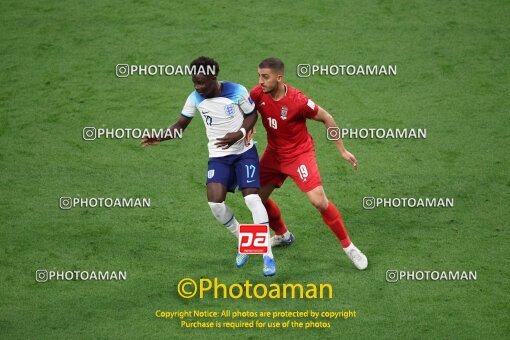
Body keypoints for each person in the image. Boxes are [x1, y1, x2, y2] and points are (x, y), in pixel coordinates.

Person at [142, 56, 276, 276]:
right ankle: (245, 238)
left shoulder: (237, 90)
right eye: (194, 82)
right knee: (215, 204)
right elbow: (180, 125)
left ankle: (267, 255)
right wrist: (160, 137)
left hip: (244, 153)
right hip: (219, 157)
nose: (198, 87)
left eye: (202, 83)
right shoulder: (195, 98)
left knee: (252, 198)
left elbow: (252, 114)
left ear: (214, 77)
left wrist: (239, 134)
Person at [248, 57, 367, 270]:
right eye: (259, 76)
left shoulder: (298, 101)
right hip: (274, 154)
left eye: (265, 77)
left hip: (298, 155)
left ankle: (349, 248)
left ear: (279, 77)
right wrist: (249, 127)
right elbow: (246, 112)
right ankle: (283, 235)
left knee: (319, 201)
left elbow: (327, 118)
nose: (261, 81)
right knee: (255, 197)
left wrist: (342, 150)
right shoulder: (258, 93)